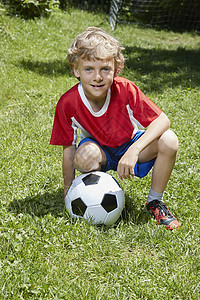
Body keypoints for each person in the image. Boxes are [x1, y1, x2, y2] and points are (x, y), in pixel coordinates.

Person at [50, 27, 180, 230]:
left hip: (130, 144)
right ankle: (90, 193)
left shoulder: (126, 89)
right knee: (84, 155)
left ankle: (155, 201)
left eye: (105, 69)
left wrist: (134, 150)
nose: (97, 77)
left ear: (116, 69)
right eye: (88, 69)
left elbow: (162, 120)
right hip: (99, 151)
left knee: (169, 140)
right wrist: (68, 190)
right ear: (76, 70)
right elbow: (68, 149)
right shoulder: (68, 103)